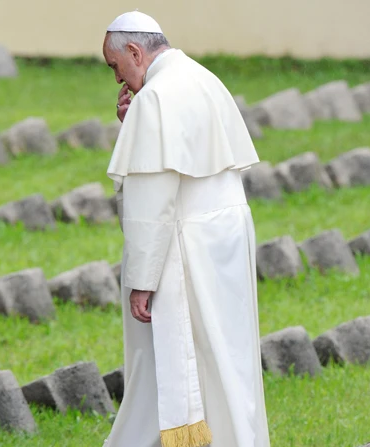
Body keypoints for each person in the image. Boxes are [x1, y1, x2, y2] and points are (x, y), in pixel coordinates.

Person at [100, 10, 270, 447]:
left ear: (135, 52)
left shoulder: (157, 96)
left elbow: (151, 200)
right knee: (226, 359)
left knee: (175, 361)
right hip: (225, 238)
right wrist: (132, 127)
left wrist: (142, 280)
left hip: (186, 244)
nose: (117, 79)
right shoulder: (199, 75)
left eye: (115, 66)